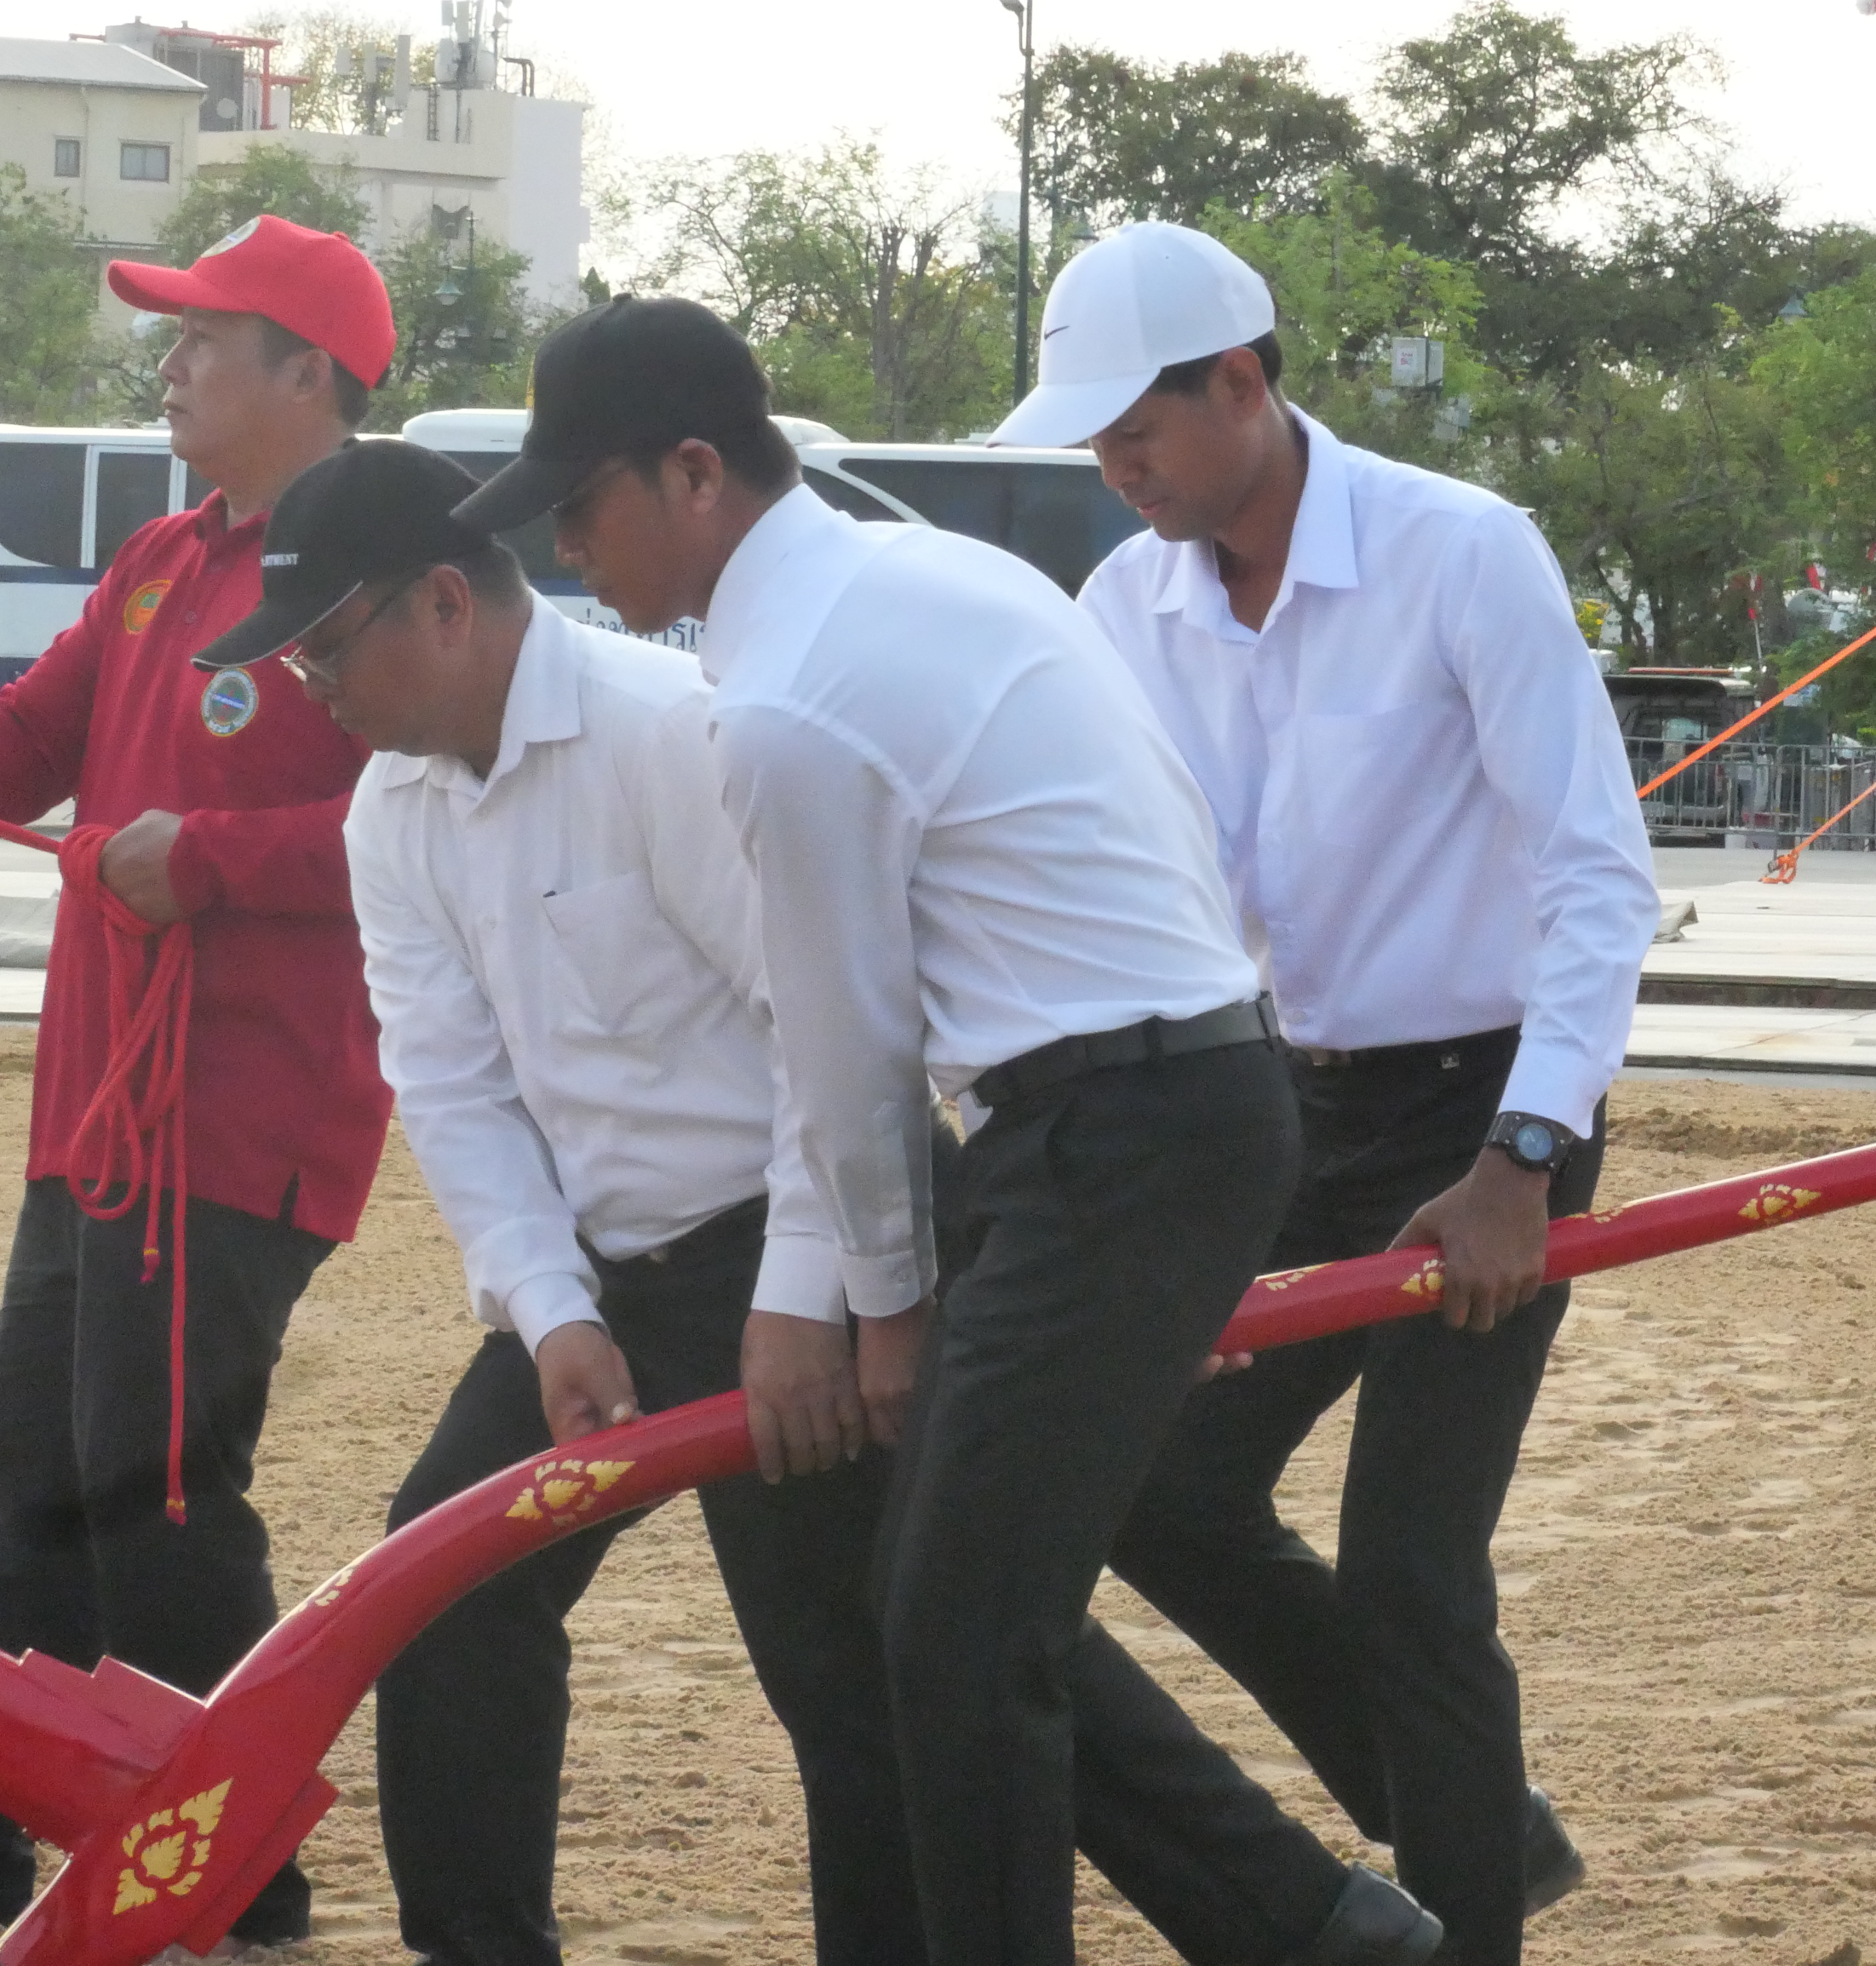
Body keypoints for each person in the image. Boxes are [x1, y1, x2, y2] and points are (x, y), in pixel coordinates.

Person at [229, 439, 1437, 1966]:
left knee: (884, 1650)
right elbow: (451, 1084)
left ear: (447, 606)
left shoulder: (672, 735)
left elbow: (833, 1036)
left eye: (323, 650)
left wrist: (817, 1296)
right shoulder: (389, 816)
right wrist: (547, 1312)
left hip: (785, 1241)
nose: (308, 691)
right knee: (452, 1584)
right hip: (607, 1281)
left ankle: (1312, 1922)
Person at [456, 296, 1305, 1966]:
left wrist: (889, 1306)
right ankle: (1332, 1935)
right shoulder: (933, 581)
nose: (561, 550)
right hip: (1150, 1111)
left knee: (959, 1635)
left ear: (692, 474)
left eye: (580, 505)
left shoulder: (785, 698)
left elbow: (843, 1041)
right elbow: (1164, 832)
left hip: (1113, 1132)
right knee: (949, 1618)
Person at [1001, 222, 1656, 1966]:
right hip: (1273, 1113)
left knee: (1409, 1572)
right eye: (1091, 439)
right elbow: (1139, 897)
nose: (1111, 467)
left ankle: (1462, 1917)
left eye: (1134, 427)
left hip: (1486, 1115)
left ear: (1242, 381)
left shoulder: (1460, 553)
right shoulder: (1117, 606)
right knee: (1158, 1492)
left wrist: (1524, 1157)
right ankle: (1469, 1815)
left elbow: (1596, 873)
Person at [0, 215, 399, 1943]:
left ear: (304, 373)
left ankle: (237, 1871)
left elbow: (429, 820)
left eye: (199, 340)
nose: (166, 367)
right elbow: (32, 739)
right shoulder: (162, 556)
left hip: (239, 1116)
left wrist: (210, 862)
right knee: (30, 1486)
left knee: (147, 1492)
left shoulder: (376, 567)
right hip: (95, 1113)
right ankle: (51, 1847)